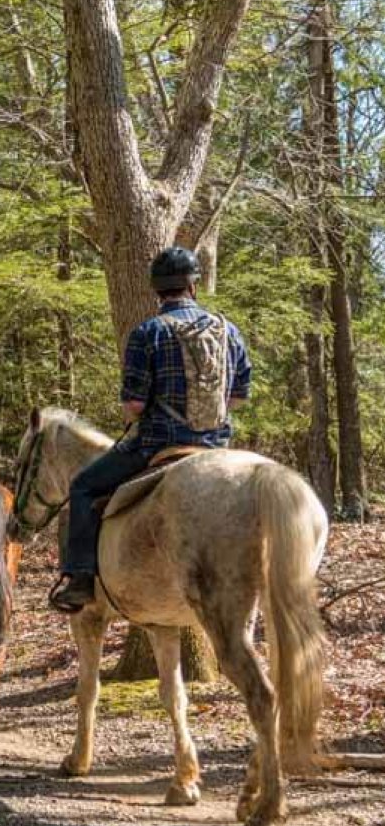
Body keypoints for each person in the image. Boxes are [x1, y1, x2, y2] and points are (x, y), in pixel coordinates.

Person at [49, 246, 252, 613]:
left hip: (157, 444)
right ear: (193, 285)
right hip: (216, 444)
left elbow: (135, 405)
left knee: (82, 487)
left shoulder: (148, 332)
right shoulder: (228, 330)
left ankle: (80, 580)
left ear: (157, 290)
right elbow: (238, 397)